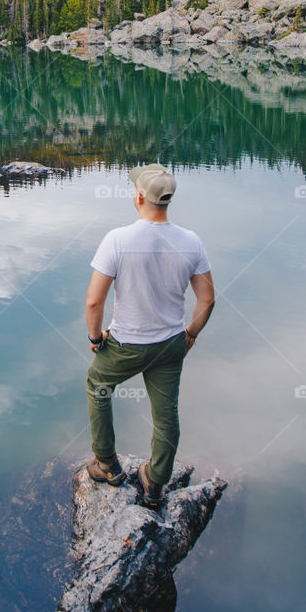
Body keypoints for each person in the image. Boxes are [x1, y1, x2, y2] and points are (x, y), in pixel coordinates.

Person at [84, 163, 215, 509]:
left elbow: (94, 300)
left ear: (140, 196)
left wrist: (96, 339)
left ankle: (106, 464)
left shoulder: (118, 239)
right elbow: (207, 299)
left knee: (98, 385)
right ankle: (155, 483)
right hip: (171, 343)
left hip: (126, 343)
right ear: (167, 200)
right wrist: (190, 335)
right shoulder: (191, 241)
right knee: (166, 414)